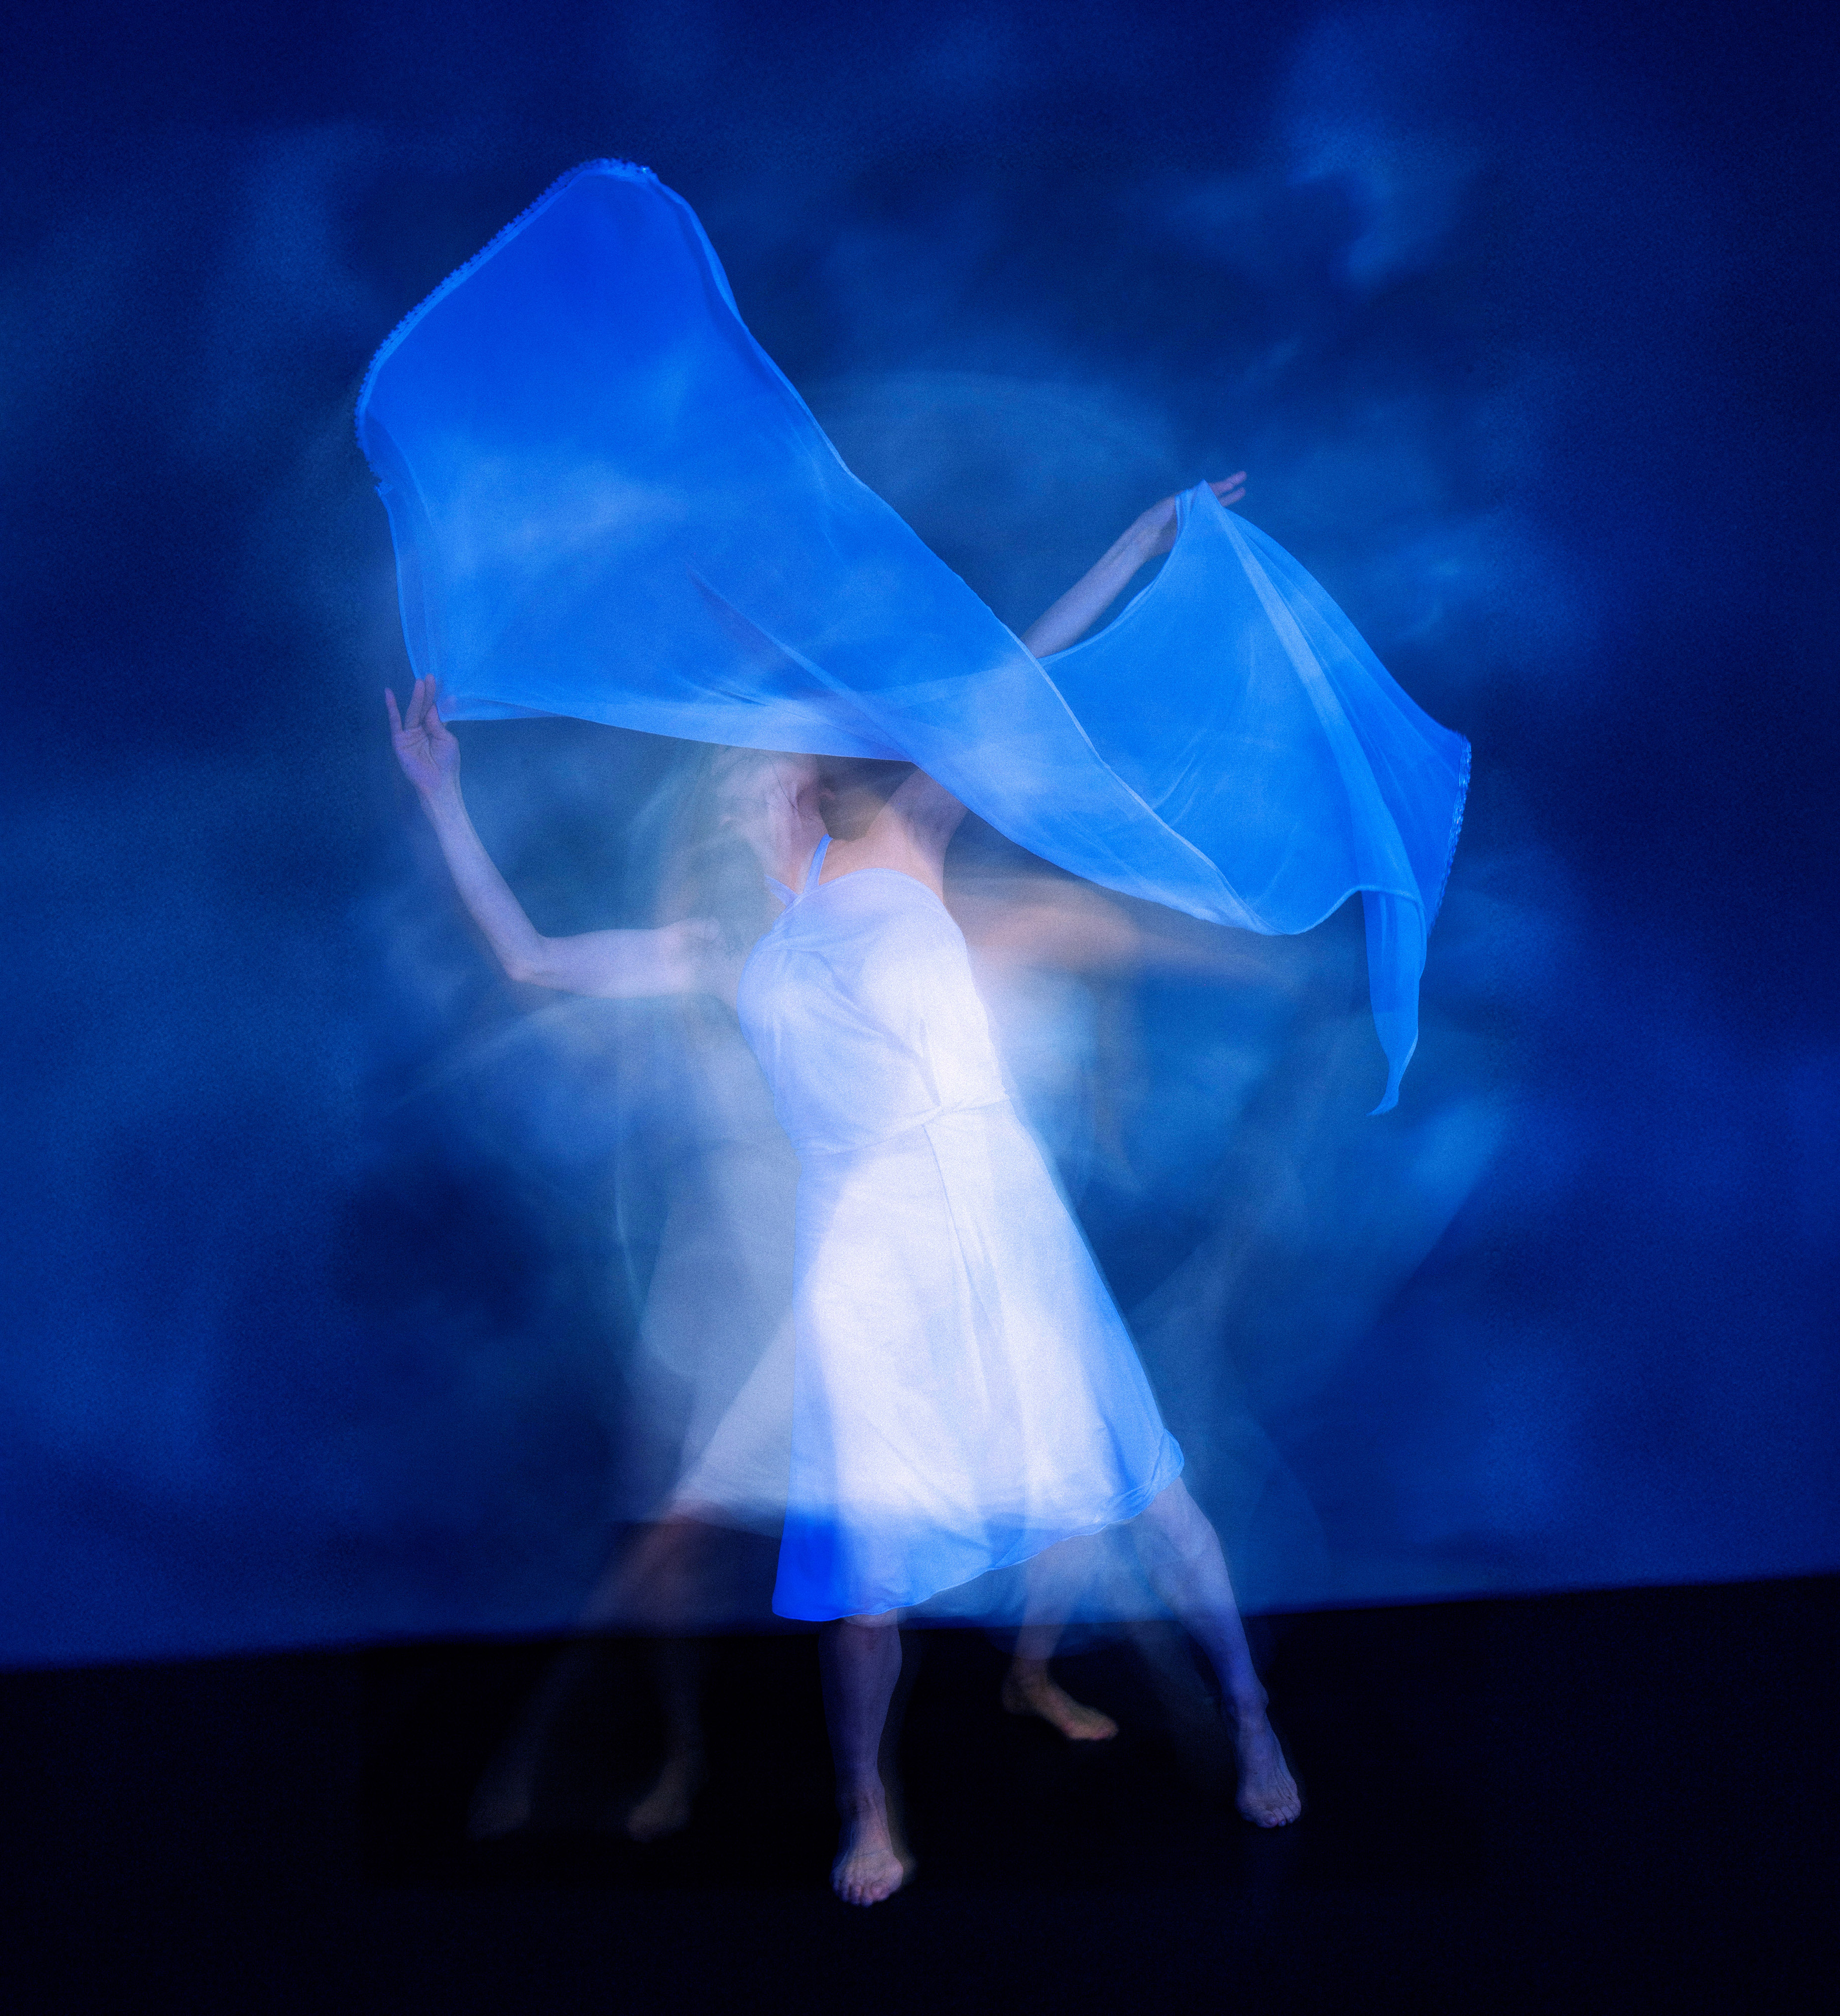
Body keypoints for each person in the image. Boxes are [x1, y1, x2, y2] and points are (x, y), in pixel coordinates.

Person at [388, 476, 1301, 1907]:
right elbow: (535, 957)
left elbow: (1013, 680)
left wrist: (1138, 539)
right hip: (867, 1241)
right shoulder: (726, 947)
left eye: (762, 773)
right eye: (731, 784)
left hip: (989, 1201)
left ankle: (1251, 1718)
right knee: (871, 1559)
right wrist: (444, 797)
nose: (745, 789)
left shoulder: (904, 836)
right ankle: (869, 1809)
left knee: (1142, 1490)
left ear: (805, 789)